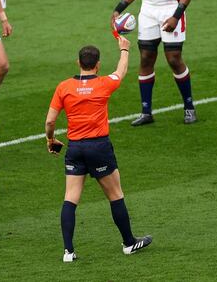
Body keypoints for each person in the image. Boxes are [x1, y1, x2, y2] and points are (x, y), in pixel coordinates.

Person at [45, 36, 152, 263]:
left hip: (74, 148)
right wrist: (124, 49)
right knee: (115, 195)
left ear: (78, 63)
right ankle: (129, 243)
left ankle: (68, 252)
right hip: (99, 147)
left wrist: (51, 139)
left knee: (70, 198)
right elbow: (121, 72)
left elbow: (50, 121)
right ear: (98, 64)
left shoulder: (64, 87)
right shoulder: (103, 83)